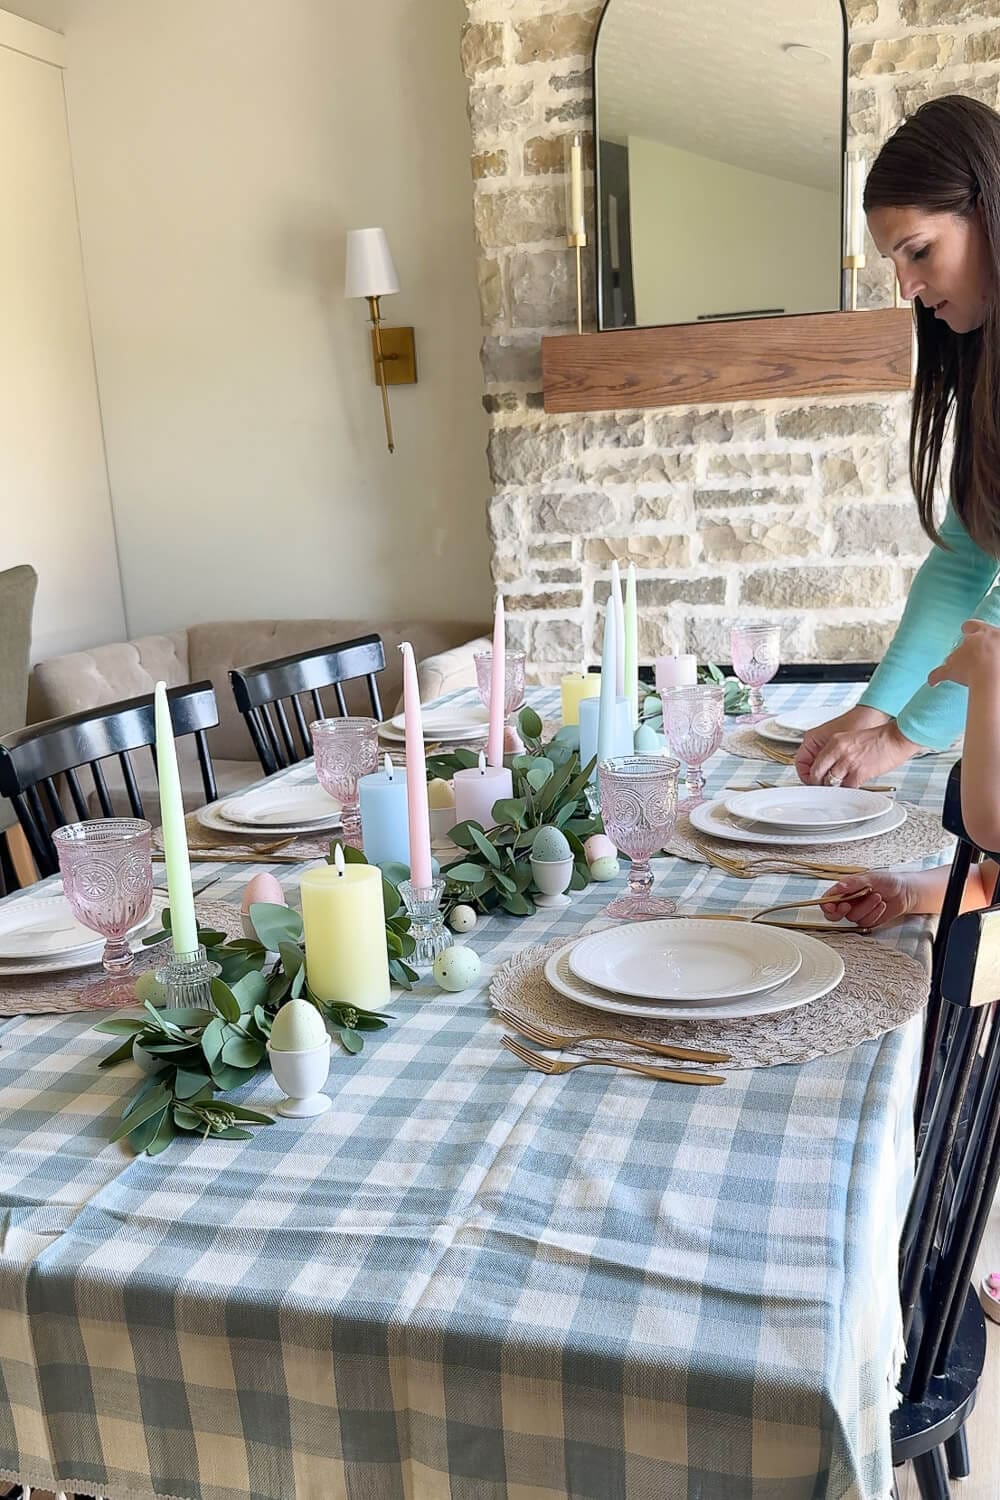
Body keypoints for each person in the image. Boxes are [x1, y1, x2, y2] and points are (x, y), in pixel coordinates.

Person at [796, 95, 1000, 791]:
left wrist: (902, 737)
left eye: (919, 251)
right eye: (895, 260)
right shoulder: (985, 364)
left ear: (988, 210)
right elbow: (966, 555)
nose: (908, 286)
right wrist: (873, 712)